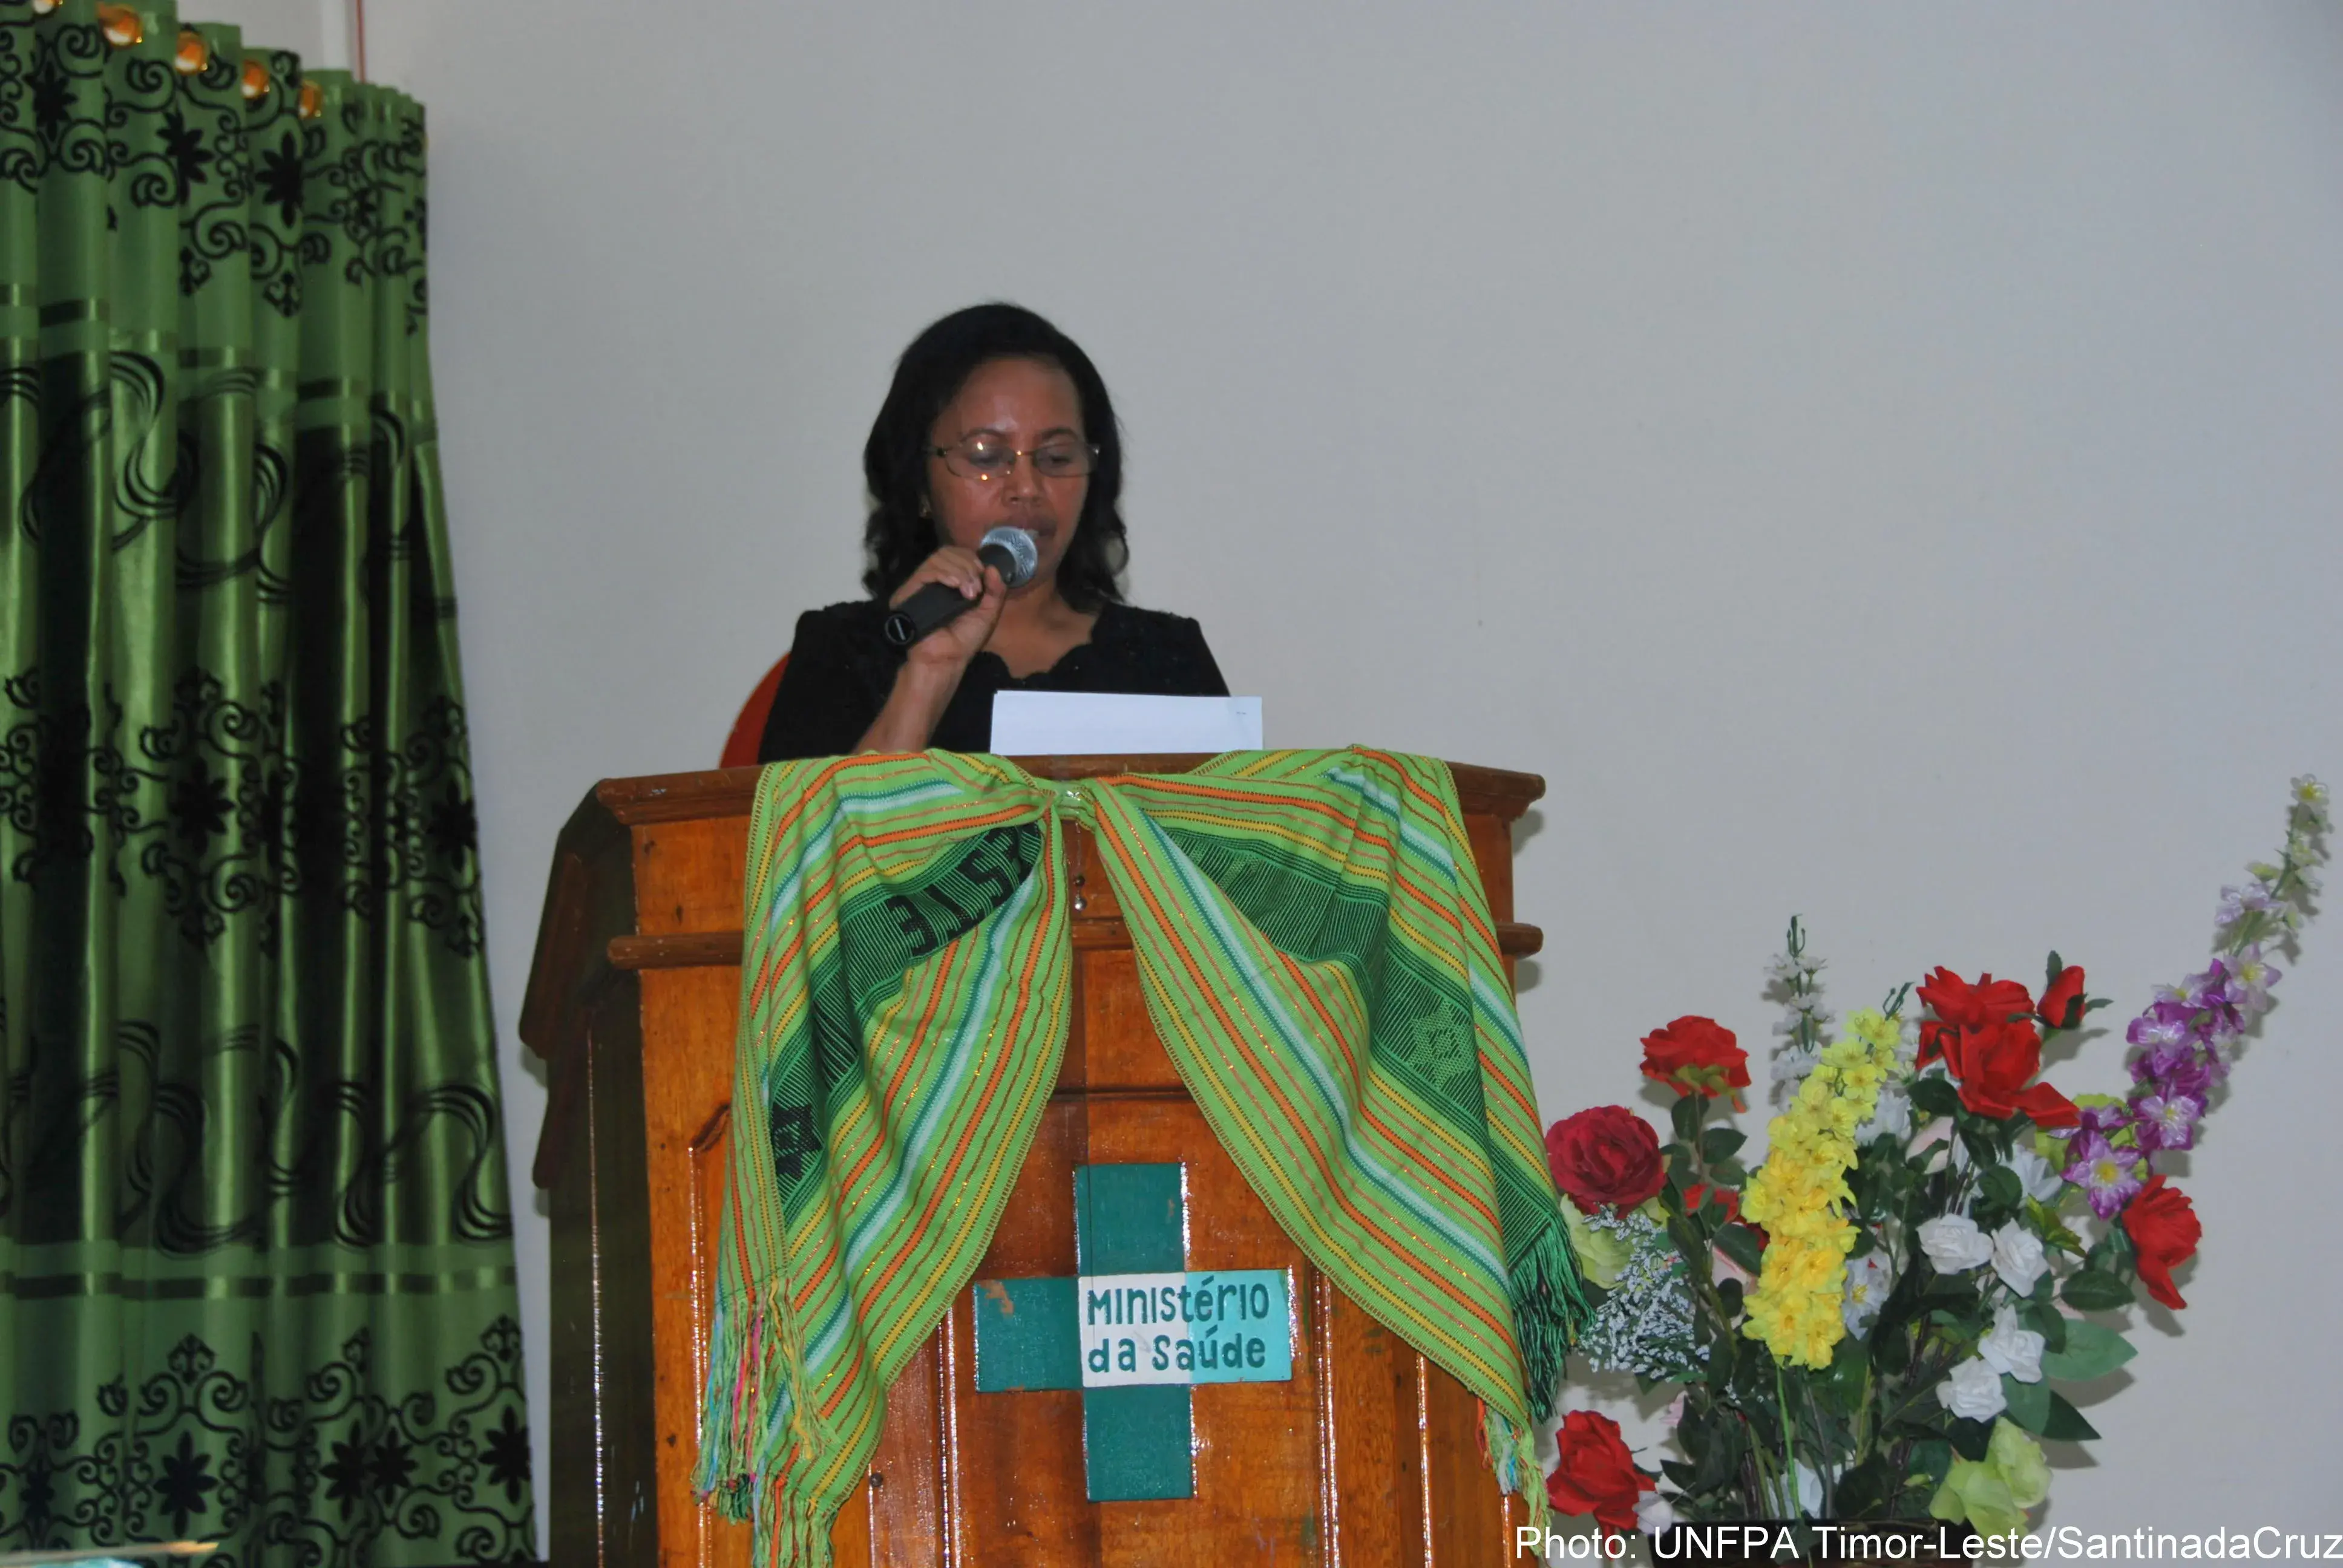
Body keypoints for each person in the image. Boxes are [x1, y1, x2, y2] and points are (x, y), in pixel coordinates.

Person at [756, 304, 1228, 760]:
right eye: (986, 457)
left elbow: (1235, 837)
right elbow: (812, 841)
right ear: (919, 484)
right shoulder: (842, 652)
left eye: (1057, 458)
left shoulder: (1169, 658)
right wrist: (927, 676)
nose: (1027, 488)